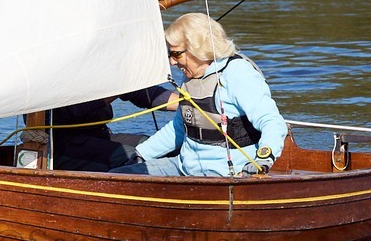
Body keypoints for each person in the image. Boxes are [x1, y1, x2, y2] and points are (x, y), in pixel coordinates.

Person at [111, 12, 287, 177]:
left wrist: (263, 159)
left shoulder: (237, 73)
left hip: (227, 174)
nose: (172, 62)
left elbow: (272, 121)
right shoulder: (190, 77)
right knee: (115, 177)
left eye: (176, 54)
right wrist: (142, 154)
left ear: (198, 47)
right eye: (169, 54)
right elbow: (179, 128)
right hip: (184, 167)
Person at [51, 87, 179, 172]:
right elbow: (72, 112)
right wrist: (116, 87)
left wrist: (187, 103)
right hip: (61, 145)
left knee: (158, 147)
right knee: (132, 156)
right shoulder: (59, 72)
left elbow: (142, 93)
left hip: (100, 134)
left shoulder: (98, 67)